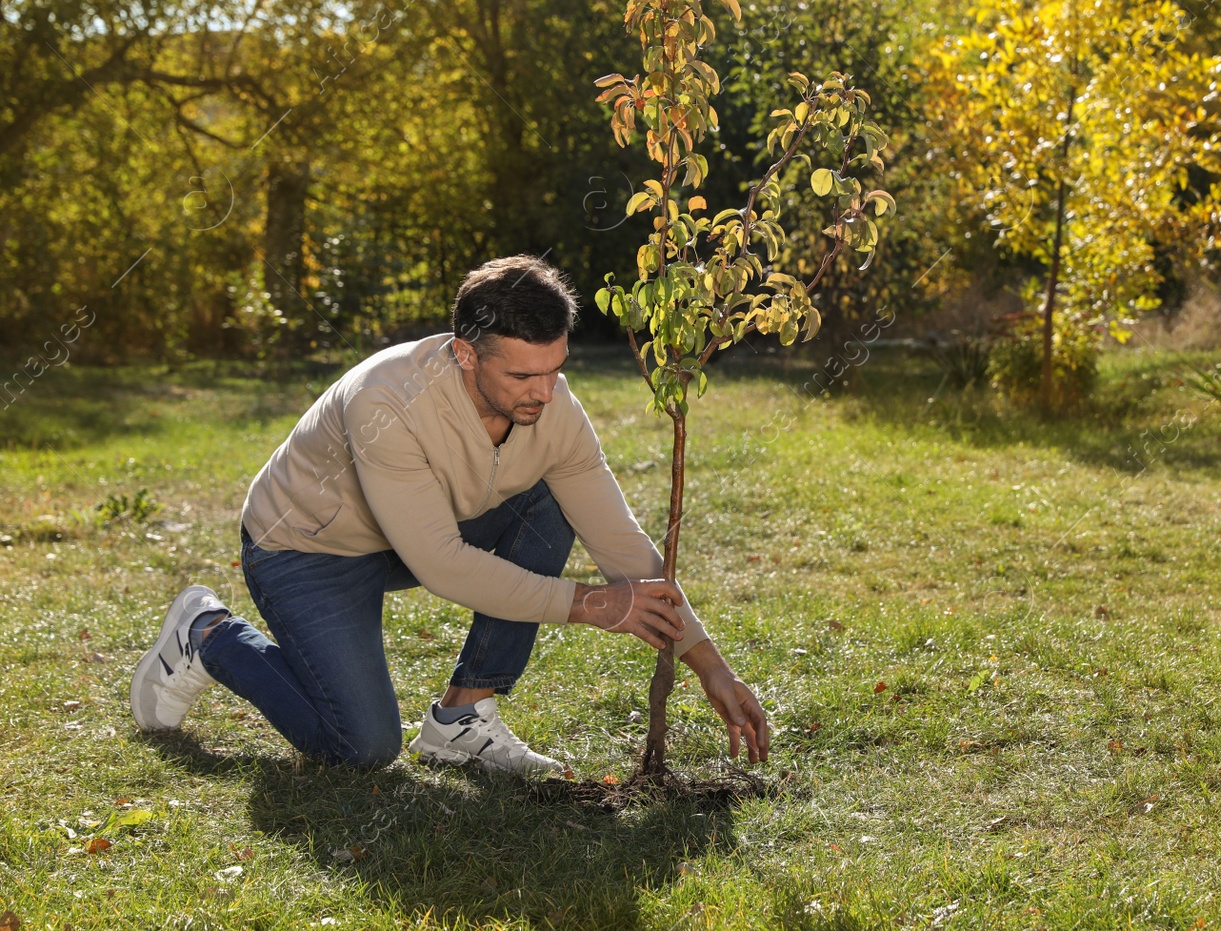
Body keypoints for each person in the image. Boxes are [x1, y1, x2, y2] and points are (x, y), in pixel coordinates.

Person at [129, 255, 769, 774]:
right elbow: (439, 563)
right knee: (362, 748)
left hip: (415, 533)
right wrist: (588, 605)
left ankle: (463, 717)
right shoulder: (386, 400)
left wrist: (710, 666)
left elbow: (621, 544)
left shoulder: (553, 408)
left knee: (547, 503)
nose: (543, 393)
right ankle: (208, 634)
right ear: (465, 354)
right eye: (522, 375)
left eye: (555, 370)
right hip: (305, 549)